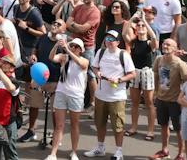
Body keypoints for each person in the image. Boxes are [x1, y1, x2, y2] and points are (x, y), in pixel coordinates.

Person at [88, 30, 133, 159]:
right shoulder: (100, 52)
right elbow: (94, 67)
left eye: (111, 39)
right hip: (101, 95)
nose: (108, 41)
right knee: (100, 123)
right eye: (107, 38)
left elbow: (132, 74)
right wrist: (97, 73)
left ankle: (119, 152)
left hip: (117, 97)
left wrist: (119, 80)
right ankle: (100, 147)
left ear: (118, 42)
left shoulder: (123, 54)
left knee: (118, 126)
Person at [45, 37, 90, 160]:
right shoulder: (64, 57)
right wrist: (56, 46)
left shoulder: (84, 60)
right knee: (59, 125)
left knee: (74, 125)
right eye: (72, 45)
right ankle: (53, 153)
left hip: (76, 95)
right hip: (61, 92)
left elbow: (80, 64)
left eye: (76, 46)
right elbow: (51, 58)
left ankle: (74, 152)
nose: (73, 47)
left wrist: (68, 51)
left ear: (81, 50)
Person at [151, 35, 187, 160]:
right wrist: (155, 93)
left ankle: (181, 154)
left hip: (175, 101)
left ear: (175, 48)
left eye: (168, 45)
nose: (164, 46)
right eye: (164, 44)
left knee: (178, 129)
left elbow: (186, 83)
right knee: (163, 125)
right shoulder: (158, 59)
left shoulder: (180, 64)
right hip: (161, 99)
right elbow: (156, 76)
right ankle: (164, 150)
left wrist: (181, 99)